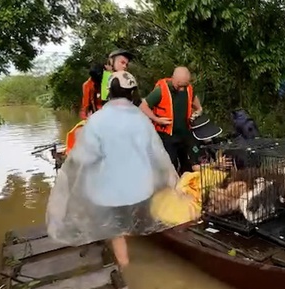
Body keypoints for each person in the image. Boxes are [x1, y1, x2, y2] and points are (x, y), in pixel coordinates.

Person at [46, 71, 178, 268]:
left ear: (109, 92)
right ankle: (135, 239)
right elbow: (156, 154)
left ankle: (125, 266)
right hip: (142, 189)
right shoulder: (142, 120)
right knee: (129, 217)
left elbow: (86, 158)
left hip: (111, 194)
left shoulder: (98, 120)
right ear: (132, 93)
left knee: (114, 226)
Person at [139, 66, 204, 174]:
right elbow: (143, 106)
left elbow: (195, 101)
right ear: (173, 79)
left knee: (188, 164)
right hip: (167, 136)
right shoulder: (161, 90)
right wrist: (157, 119)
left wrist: (199, 110)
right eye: (180, 86)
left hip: (184, 133)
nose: (182, 89)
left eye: (185, 85)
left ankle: (186, 185)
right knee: (170, 165)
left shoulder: (188, 88)